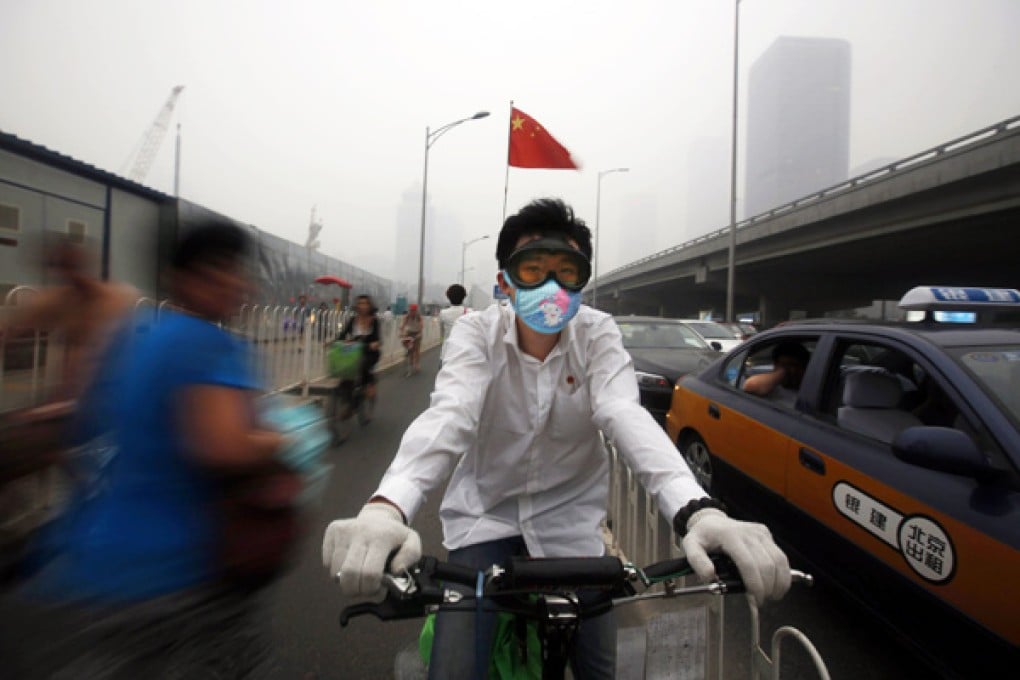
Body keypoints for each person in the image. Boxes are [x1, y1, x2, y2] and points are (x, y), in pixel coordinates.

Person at [322, 198, 791, 679]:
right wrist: (387, 507)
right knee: (455, 665)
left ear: (581, 282)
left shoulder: (597, 334)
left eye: (565, 271)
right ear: (505, 281)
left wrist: (698, 509)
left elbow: (623, 414)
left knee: (599, 667)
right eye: (533, 269)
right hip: (485, 517)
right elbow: (451, 414)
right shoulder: (475, 335)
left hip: (572, 526)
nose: (550, 286)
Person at [2, 220, 301, 678]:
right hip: (176, 572)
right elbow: (223, 447)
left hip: (83, 561)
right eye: (226, 269)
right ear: (188, 277)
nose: (240, 283)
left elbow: (83, 429)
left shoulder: (136, 333)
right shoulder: (208, 342)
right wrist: (279, 438)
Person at [332, 294, 381, 423]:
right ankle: (346, 399)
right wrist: (334, 342)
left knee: (364, 369)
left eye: (365, 303)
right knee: (346, 371)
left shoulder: (374, 321)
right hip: (353, 352)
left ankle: (367, 387)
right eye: (360, 303)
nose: (363, 306)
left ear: (369, 306)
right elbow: (342, 336)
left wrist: (374, 344)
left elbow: (377, 339)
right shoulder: (353, 320)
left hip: (369, 353)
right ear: (357, 306)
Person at [742, 340, 810, 407]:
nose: (791, 370)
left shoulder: (814, 387)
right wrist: (782, 372)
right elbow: (750, 385)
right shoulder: (771, 387)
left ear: (804, 366)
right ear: (775, 365)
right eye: (783, 365)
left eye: (794, 365)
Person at [400, 303, 424, 376]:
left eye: (413, 310)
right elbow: (402, 326)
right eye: (411, 310)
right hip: (409, 333)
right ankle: (408, 353)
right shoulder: (407, 317)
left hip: (417, 333)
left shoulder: (419, 317)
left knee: (416, 350)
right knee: (408, 346)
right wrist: (402, 332)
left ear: (416, 311)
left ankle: (416, 364)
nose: (412, 312)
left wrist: (419, 333)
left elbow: (421, 326)